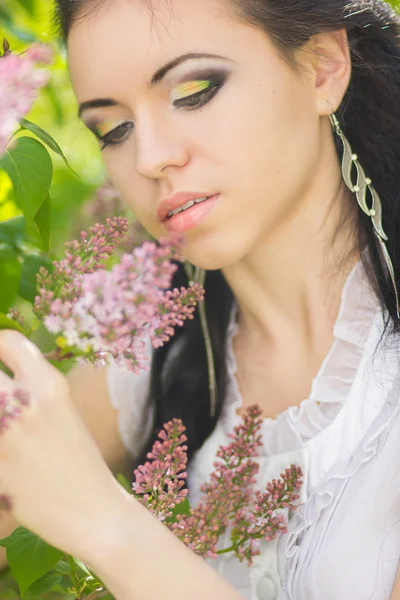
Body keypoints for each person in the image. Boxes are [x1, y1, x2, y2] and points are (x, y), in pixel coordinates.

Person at [0, 0, 399, 598]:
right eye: (113, 129)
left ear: (322, 66)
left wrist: (104, 523)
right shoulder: (158, 358)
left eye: (195, 90)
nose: (150, 158)